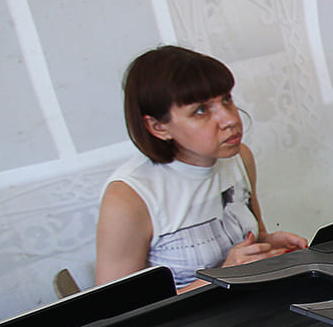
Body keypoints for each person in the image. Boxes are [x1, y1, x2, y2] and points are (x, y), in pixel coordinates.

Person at [96, 45, 306, 290]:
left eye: (226, 99)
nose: (230, 119)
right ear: (158, 127)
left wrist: (268, 245)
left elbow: (253, 235)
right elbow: (119, 306)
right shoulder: (128, 197)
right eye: (200, 110)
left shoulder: (240, 158)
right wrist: (221, 276)